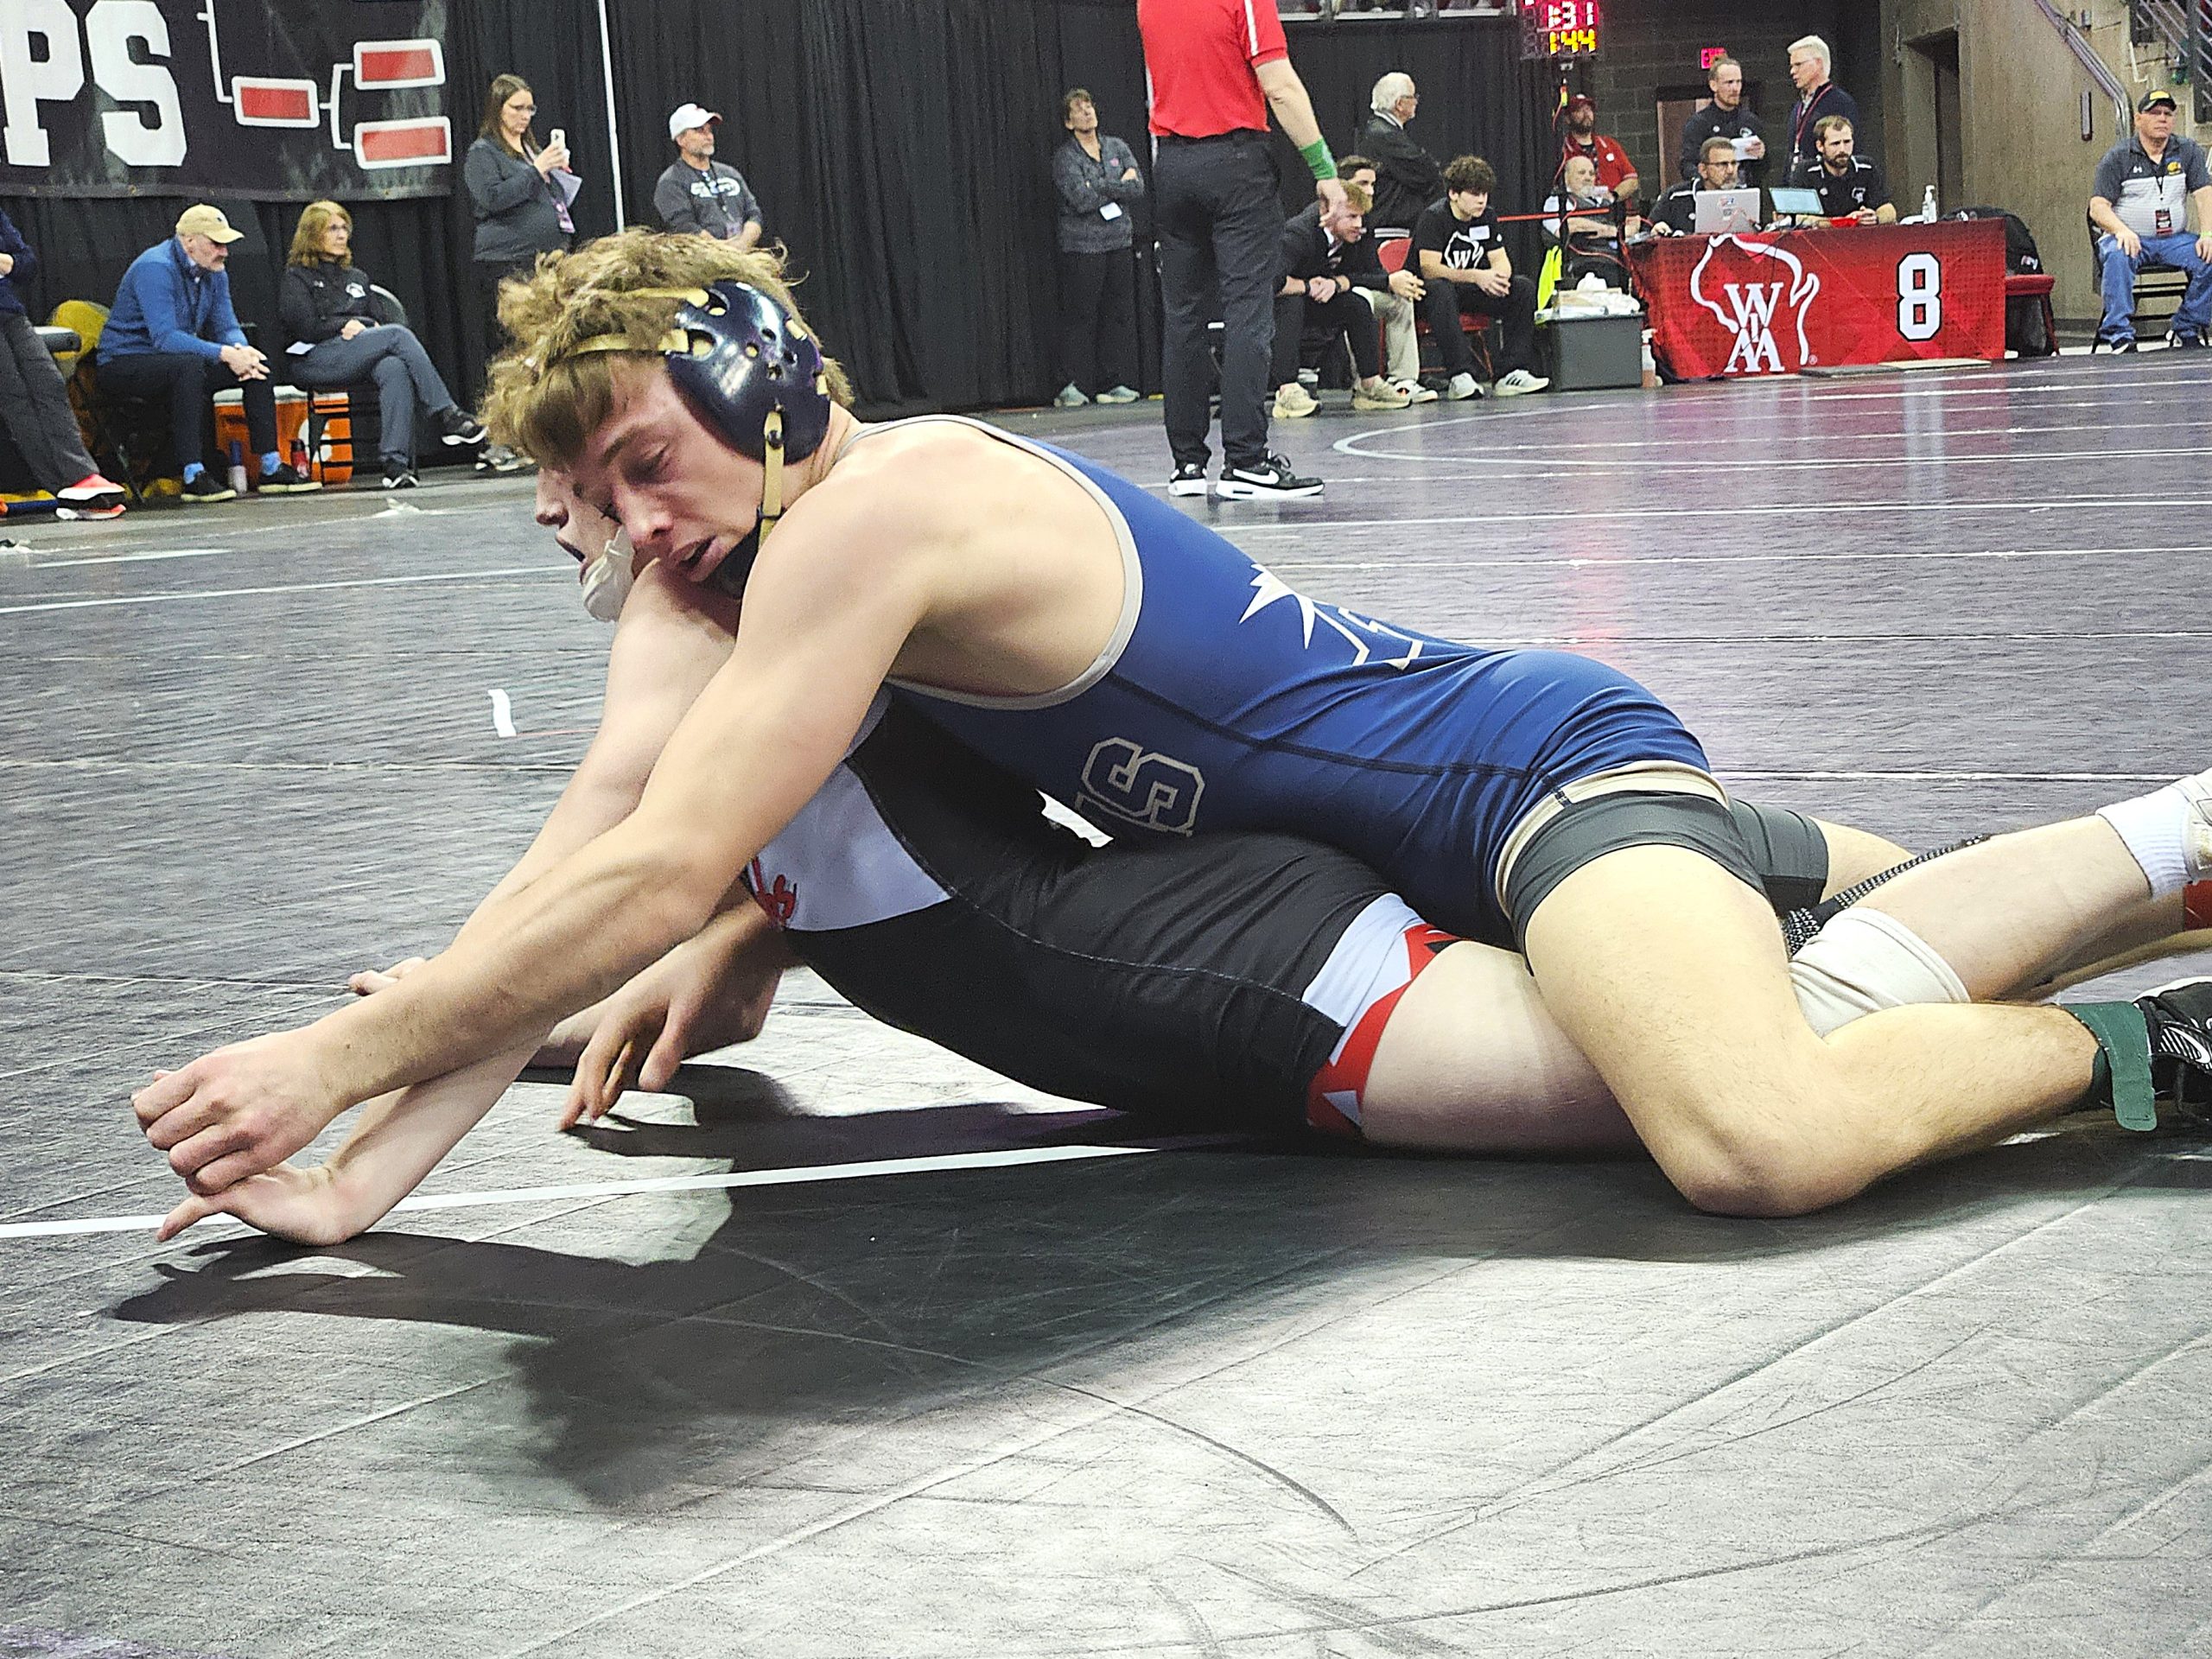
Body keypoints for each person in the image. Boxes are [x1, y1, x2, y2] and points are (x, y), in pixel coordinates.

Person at [132, 232, 2212, 1228]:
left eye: (646, 471)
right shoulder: (754, 561)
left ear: (769, 393)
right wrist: (363, 1175)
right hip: (1414, 805)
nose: (637, 533)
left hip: (1519, 774)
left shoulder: (882, 513)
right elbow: (605, 834)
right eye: (593, 503)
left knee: (1756, 1125)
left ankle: (2160, 1052)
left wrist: (336, 1055)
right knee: (1862, 917)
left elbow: (658, 862)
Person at [1138, 0, 1346, 501]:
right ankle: (1246, 460)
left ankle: (1187, 465)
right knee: (1248, 310)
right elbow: (1278, 84)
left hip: (1172, 164)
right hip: (1234, 163)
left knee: (1184, 317)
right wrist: (1324, 168)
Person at [99, 206, 320, 504]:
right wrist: (226, 353)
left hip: (174, 361)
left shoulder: (214, 272)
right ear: (189, 241)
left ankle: (270, 466)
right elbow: (165, 338)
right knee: (189, 367)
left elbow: (226, 325)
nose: (224, 251)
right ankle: (193, 474)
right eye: (216, 243)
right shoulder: (155, 267)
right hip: (125, 363)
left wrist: (241, 352)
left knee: (258, 364)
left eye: (225, 244)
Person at [277, 201, 486, 490]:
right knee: (397, 336)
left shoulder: (357, 278)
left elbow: (378, 320)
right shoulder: (296, 277)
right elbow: (305, 327)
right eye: (332, 229)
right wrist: (341, 325)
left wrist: (362, 326)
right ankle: (448, 415)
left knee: (394, 367)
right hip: (314, 358)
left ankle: (394, 464)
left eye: (344, 228)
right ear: (313, 234)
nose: (341, 235)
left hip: (357, 353)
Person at [465, 73, 574, 474]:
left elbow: (542, 198)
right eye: (517, 108)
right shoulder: (483, 153)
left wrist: (556, 175)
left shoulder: (529, 149)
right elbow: (491, 198)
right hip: (505, 261)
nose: (525, 115)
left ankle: (535, 435)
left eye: (530, 108)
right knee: (506, 350)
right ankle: (496, 441)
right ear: (498, 109)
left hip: (545, 259)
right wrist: (536, 170)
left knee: (540, 348)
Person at [0, 206, 124, 516]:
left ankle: (80, 477)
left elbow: (28, 264)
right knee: (15, 396)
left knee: (50, 382)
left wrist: (8, 262)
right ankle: (67, 485)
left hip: (10, 312)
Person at [1411, 156, 1550, 399]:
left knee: (1522, 288)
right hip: (1429, 295)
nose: (1482, 200)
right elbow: (1429, 269)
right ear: (1454, 194)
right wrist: (1477, 276)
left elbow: (1500, 261)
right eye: (1475, 193)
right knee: (1441, 289)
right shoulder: (1434, 217)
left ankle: (1511, 371)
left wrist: (1499, 279)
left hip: (1468, 290)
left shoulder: (1487, 216)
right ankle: (1460, 374)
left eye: (1485, 194)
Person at [1270, 183, 1412, 418]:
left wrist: (1338, 283)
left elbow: (1376, 275)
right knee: (1291, 302)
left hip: (1317, 302)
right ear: (1328, 211)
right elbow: (1269, 281)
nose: (1358, 224)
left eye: (1361, 217)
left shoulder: (1357, 233)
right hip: (1278, 305)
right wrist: (1306, 286)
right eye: (1352, 216)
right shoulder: (1300, 233)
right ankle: (1287, 391)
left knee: (1357, 304)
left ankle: (1369, 386)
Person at [2088, 89, 2212, 353]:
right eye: (2155, 113)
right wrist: (2121, 230)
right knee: (2117, 253)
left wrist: (2208, 233)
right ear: (2138, 120)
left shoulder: (2188, 151)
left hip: (2173, 239)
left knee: (2210, 254)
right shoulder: (2118, 156)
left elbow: (2204, 194)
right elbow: (2097, 207)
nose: (2162, 119)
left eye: (2168, 113)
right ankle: (2119, 333)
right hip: (2132, 238)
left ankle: (2186, 326)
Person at [1050, 87, 1144, 410]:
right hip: (1082, 247)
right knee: (1081, 315)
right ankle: (1072, 384)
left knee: (1116, 314)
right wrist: (1118, 185)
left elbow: (1138, 187)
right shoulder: (1066, 157)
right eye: (1078, 109)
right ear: (1068, 122)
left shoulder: (1116, 146)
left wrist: (1101, 186)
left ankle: (1112, 381)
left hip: (1119, 241)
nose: (1087, 112)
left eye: (1089, 106)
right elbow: (1080, 198)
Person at [1338, 156, 1433, 402]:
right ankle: (1365, 383)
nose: (1371, 191)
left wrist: (1392, 280)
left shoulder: (1366, 219)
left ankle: (1403, 381)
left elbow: (1372, 268)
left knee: (1401, 298)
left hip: (1354, 287)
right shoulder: (1325, 217)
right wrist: (1386, 281)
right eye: (1363, 184)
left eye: (1373, 184)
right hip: (1328, 293)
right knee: (1359, 301)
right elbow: (1336, 275)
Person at [652, 103, 765, 249]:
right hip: (701, 265)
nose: (709, 136)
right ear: (681, 140)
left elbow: (753, 213)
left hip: (742, 259)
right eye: (700, 130)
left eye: (709, 130)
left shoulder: (730, 174)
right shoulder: (671, 182)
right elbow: (685, 228)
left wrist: (743, 245)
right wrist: (725, 252)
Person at [1356, 73, 1443, 236]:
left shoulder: (1380, 131)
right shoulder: (1385, 135)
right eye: (1413, 96)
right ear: (1400, 103)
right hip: (1388, 230)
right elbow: (1427, 171)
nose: (1416, 101)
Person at [1676, 56, 1769, 188]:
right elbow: (1687, 165)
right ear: (1714, 85)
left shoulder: (1751, 121)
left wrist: (1761, 155)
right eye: (1729, 83)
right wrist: (1707, 181)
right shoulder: (1698, 123)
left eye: (1739, 82)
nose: (1735, 88)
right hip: (1713, 196)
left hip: (1746, 193)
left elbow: (1765, 169)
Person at [1540, 154, 1632, 286]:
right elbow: (1569, 226)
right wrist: (1612, 230)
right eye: (1582, 173)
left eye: (1591, 174)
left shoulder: (1605, 202)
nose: (1588, 178)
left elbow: (1631, 224)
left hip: (1616, 257)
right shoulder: (1556, 201)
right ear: (1566, 178)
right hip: (1585, 262)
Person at [1650, 138, 1773, 237]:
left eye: (1734, 163)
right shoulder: (1676, 196)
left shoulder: (1746, 197)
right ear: (1703, 170)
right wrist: (1656, 228)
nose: (1730, 171)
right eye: (1722, 165)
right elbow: (1647, 229)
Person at [1790, 117, 1896, 225]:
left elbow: (1888, 209)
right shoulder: (1806, 172)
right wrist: (1845, 222)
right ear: (1820, 146)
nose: (1842, 149)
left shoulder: (1866, 167)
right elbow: (1799, 219)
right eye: (1835, 144)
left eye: (1847, 142)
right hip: (1822, 239)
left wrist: (1875, 217)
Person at [1785, 35, 1860, 181]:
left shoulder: (1840, 102)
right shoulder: (1799, 107)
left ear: (1818, 63)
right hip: (1798, 184)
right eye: (1792, 66)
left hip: (1826, 188)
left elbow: (1849, 153)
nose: (1792, 71)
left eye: (1798, 65)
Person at [1560, 95, 1638, 205]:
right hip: (1581, 214)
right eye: (1580, 110)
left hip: (1616, 214)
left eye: (1589, 109)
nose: (1586, 113)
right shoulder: (1563, 151)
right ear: (1567, 118)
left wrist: (1612, 196)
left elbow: (1632, 180)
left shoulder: (1610, 145)